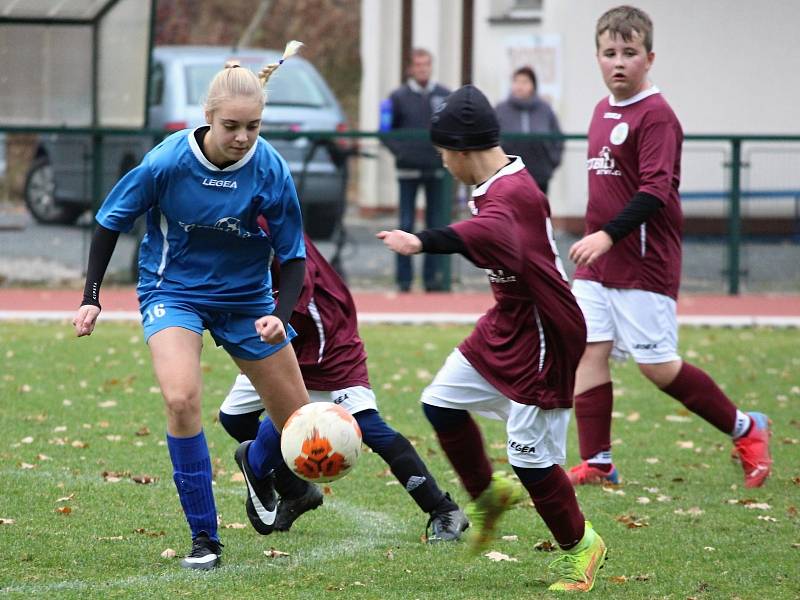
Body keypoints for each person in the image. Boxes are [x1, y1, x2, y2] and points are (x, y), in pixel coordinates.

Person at [72, 42, 312, 570]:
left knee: (299, 423)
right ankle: (206, 539)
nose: (242, 137)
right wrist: (91, 297)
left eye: (253, 126)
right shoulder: (168, 160)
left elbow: (294, 257)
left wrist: (282, 315)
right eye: (231, 126)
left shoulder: (269, 168)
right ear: (208, 118)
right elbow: (110, 220)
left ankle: (258, 462)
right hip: (172, 292)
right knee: (181, 399)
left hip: (247, 300)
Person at [378, 84, 607, 592]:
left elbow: (492, 233)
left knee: (530, 458)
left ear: (463, 150)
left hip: (546, 329)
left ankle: (581, 547)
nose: (442, 164)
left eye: (443, 153)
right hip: (509, 318)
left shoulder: (514, 193)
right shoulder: (495, 184)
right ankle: (488, 497)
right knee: (440, 403)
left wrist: (423, 240)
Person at [566, 6, 772, 489]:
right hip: (598, 265)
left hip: (641, 263)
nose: (619, 62)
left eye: (629, 53)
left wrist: (606, 234)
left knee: (657, 366)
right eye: (609, 52)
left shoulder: (657, 116)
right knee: (588, 351)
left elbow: (656, 191)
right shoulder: (601, 110)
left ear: (649, 58)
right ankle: (597, 461)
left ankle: (747, 428)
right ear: (597, 57)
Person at [218, 231, 469, 541]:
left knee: (368, 427)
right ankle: (296, 491)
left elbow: (296, 291)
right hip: (274, 337)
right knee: (235, 418)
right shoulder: (219, 208)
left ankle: (443, 509)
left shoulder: (264, 216)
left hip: (324, 344)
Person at [381, 48, 451, 292]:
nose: (422, 69)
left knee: (435, 224)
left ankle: (434, 280)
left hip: (436, 172)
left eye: (426, 64)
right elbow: (385, 130)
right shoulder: (398, 97)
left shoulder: (443, 95)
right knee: (406, 222)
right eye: (418, 65)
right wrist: (403, 153)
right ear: (411, 68)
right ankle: (404, 281)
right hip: (408, 171)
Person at [494, 66, 563, 195]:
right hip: (507, 175)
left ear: (533, 85)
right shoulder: (501, 109)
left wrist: (551, 162)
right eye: (516, 81)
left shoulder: (545, 109)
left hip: (539, 175)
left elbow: (557, 138)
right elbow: (492, 138)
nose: (519, 86)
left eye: (525, 82)